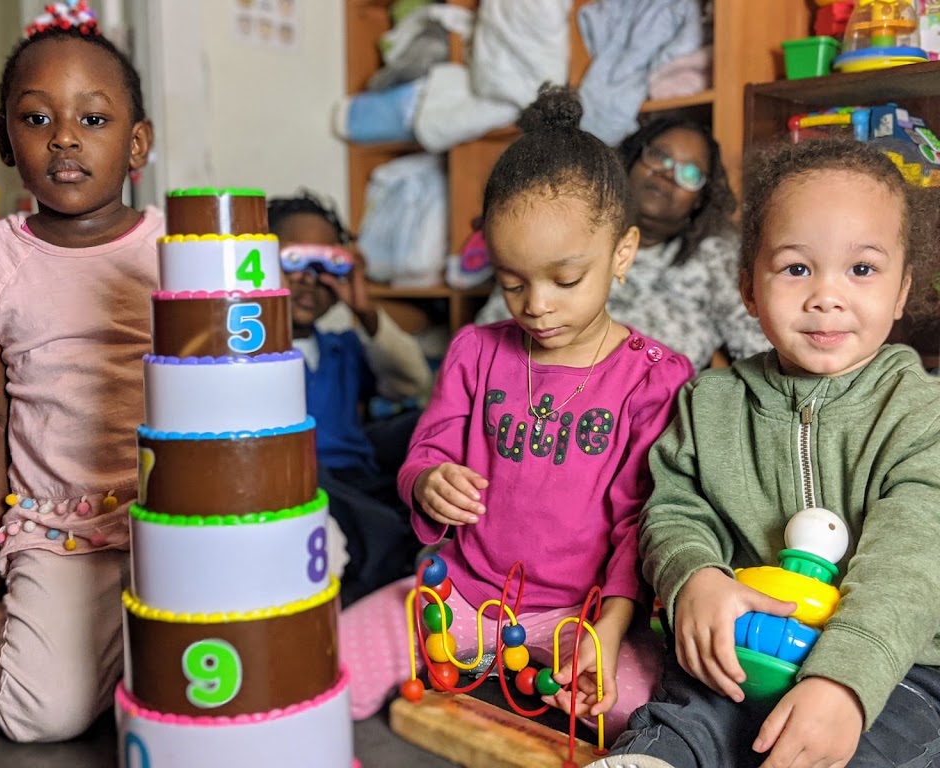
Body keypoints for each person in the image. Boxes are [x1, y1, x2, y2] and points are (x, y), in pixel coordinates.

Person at [339, 85, 694, 738]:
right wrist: (425, 479)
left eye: (564, 280)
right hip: (465, 599)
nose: (535, 305)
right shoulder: (476, 350)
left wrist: (609, 633)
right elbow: (428, 450)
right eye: (511, 282)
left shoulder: (655, 379)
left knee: (650, 715)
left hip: (584, 617)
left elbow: (640, 524)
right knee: (333, 659)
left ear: (622, 254)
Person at [593, 139, 940, 768]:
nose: (826, 296)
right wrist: (693, 577)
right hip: (745, 649)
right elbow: (673, 510)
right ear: (749, 288)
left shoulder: (921, 413)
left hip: (898, 665)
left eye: (861, 269)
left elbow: (911, 561)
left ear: (900, 290)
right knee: (687, 716)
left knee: (884, 740)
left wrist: (843, 682)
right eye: (796, 268)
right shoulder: (710, 402)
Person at [0, 14, 158, 742]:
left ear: (136, 143)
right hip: (55, 527)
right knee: (43, 716)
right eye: (36, 118)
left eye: (92, 117)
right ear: (4, 140)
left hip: (166, 518)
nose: (64, 137)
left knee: (203, 672)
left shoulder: (173, 252)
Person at [475, 116, 770, 371]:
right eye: (659, 157)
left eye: (690, 174)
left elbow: (760, 350)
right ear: (629, 161)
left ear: (699, 201)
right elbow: (485, 344)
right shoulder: (567, 231)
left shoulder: (715, 258)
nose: (668, 174)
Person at [267, 190, 434, 606]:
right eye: (294, 262)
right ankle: (396, 555)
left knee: (428, 422)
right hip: (304, 485)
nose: (309, 278)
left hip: (361, 475)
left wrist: (364, 309)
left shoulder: (343, 347)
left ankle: (414, 536)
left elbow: (411, 384)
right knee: (304, 467)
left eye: (325, 266)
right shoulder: (253, 354)